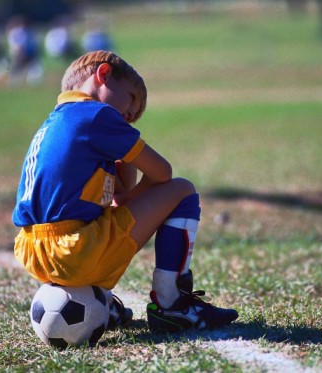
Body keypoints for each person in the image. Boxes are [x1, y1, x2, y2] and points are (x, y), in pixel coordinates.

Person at [12, 50, 238, 333]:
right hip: (74, 251)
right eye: (132, 99)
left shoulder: (57, 121)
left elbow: (116, 197)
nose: (131, 116)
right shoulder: (95, 115)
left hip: (33, 250)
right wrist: (136, 194)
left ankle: (100, 300)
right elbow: (161, 172)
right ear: (103, 75)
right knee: (182, 190)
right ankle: (172, 304)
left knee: (113, 215)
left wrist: (122, 170)